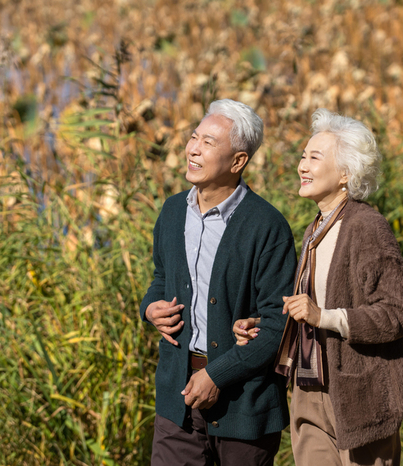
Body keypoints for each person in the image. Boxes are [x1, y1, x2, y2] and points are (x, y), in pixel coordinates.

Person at [234, 109, 403, 466]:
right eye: (302, 156)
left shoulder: (366, 227)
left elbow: (399, 312)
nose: (302, 165)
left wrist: (324, 316)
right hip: (308, 390)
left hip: (358, 396)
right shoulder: (316, 228)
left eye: (314, 158)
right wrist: (267, 328)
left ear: (346, 173)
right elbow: (311, 310)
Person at [140, 99, 297, 466]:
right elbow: (161, 277)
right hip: (176, 398)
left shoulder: (267, 227)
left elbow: (279, 323)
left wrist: (217, 375)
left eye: (208, 143)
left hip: (245, 406)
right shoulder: (173, 210)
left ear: (238, 161)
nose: (192, 149)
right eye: (194, 138)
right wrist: (150, 308)